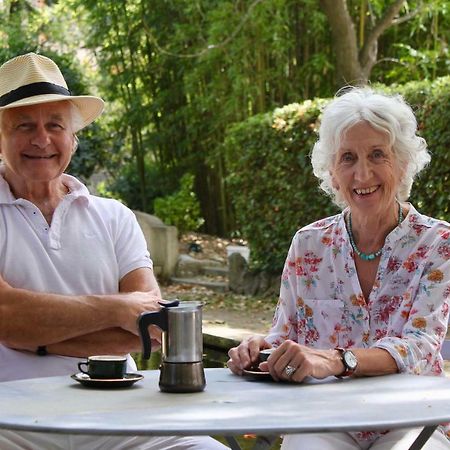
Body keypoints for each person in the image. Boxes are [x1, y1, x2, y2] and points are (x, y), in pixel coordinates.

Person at [0, 53, 227, 450]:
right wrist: (118, 310)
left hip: (120, 414)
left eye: (55, 125)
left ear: (73, 137)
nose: (42, 139)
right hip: (11, 420)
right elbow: (7, 317)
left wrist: (34, 339)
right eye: (24, 126)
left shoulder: (114, 216)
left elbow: (149, 331)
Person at [228, 87, 450, 449]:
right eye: (348, 158)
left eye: (378, 154)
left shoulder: (437, 243)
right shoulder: (308, 243)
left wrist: (336, 360)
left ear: (404, 162)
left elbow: (420, 347)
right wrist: (256, 350)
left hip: (410, 419)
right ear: (332, 172)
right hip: (325, 417)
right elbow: (284, 334)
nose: (363, 174)